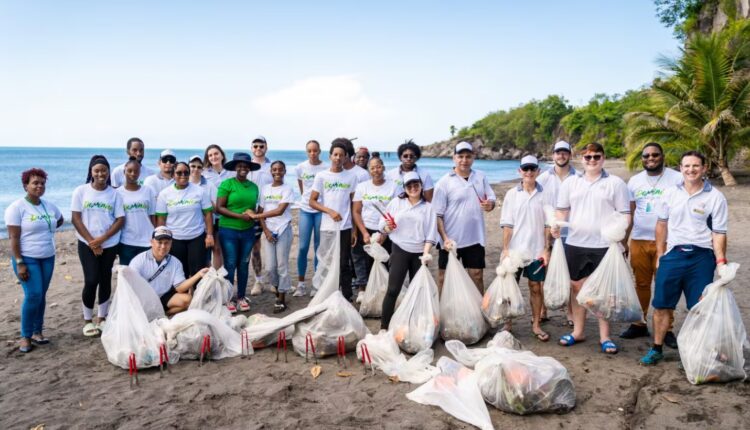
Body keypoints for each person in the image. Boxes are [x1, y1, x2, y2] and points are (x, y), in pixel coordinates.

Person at [640, 151, 728, 366]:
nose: (691, 170)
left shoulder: (715, 197)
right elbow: (661, 225)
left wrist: (720, 261)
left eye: (696, 166)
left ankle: (699, 350)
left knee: (699, 307)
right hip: (673, 255)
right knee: (661, 305)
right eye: (687, 166)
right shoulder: (670, 194)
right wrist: (661, 254)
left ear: (704, 168)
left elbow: (719, 233)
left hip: (701, 257)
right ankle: (657, 348)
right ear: (680, 168)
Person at [552, 143, 630, 354]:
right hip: (575, 243)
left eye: (596, 156)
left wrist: (618, 235)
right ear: (581, 159)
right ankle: (578, 332)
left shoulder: (615, 183)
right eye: (588, 157)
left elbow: (625, 214)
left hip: (604, 245)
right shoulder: (570, 183)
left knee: (603, 292)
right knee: (577, 288)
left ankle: (605, 336)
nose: (592, 160)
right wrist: (557, 226)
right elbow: (562, 211)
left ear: (603, 158)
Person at [621, 143, 682, 345]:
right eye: (646, 155)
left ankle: (667, 329)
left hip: (667, 242)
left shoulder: (677, 178)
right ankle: (639, 323)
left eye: (655, 154)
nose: (650, 158)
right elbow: (629, 213)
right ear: (642, 158)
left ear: (662, 156)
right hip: (639, 239)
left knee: (665, 285)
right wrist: (624, 241)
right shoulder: (635, 182)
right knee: (641, 283)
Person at [5, 168, 64, 352]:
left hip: (47, 257)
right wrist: (20, 261)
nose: (39, 186)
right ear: (25, 186)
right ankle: (25, 336)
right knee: (33, 295)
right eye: (35, 183)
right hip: (27, 258)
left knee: (41, 295)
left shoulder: (49, 205)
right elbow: (13, 238)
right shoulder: (16, 208)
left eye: (42, 183)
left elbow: (59, 220)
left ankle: (38, 332)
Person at [499, 156, 553, 341]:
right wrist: (505, 249)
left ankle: (536, 324)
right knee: (509, 287)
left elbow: (548, 225)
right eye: (525, 168)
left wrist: (546, 249)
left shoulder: (546, 195)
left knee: (535, 287)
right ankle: (508, 324)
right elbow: (507, 225)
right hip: (515, 250)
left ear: (538, 171)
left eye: (532, 168)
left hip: (536, 250)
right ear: (519, 171)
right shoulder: (512, 194)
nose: (529, 172)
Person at [71, 155, 125, 337]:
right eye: (97, 170)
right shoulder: (81, 191)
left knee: (105, 279)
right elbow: (76, 218)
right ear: (91, 172)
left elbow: (120, 220)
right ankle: (87, 321)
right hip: (86, 244)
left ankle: (102, 318)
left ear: (108, 172)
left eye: (104, 170)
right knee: (91, 279)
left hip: (109, 244)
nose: (100, 173)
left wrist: (102, 239)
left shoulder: (114, 194)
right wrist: (92, 242)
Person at [433, 141, 496, 294]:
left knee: (477, 275)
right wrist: (445, 238)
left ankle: (479, 312)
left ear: (473, 158)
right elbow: (437, 215)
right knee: (444, 277)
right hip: (450, 240)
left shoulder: (480, 177)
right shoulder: (444, 182)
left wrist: (490, 205)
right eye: (460, 156)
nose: (464, 160)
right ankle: (442, 312)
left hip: (475, 237)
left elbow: (491, 198)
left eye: (468, 156)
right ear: (454, 158)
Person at [378, 171, 437, 330]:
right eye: (409, 185)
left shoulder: (428, 207)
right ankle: (384, 327)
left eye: (416, 184)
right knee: (393, 290)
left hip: (419, 253)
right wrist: (387, 227)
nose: (413, 188)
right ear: (404, 188)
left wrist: (426, 253)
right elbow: (382, 225)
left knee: (418, 291)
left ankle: (415, 326)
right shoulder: (396, 203)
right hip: (399, 250)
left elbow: (431, 233)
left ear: (421, 185)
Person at [309, 139, 359, 300]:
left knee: (343, 263)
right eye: (335, 154)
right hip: (327, 227)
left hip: (345, 227)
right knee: (326, 261)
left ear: (345, 158)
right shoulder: (322, 176)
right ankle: (325, 294)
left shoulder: (351, 177)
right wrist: (329, 211)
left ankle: (346, 296)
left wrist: (354, 230)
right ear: (330, 156)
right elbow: (312, 201)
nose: (338, 158)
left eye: (341, 155)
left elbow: (354, 205)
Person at [216, 152, 261, 313]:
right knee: (230, 263)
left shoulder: (254, 187)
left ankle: (241, 297)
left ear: (249, 168)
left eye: (246, 165)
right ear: (235, 167)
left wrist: (252, 213)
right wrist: (240, 216)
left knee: (243, 264)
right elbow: (219, 208)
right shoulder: (227, 184)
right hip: (228, 230)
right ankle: (228, 298)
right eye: (240, 165)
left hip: (248, 231)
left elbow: (254, 209)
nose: (243, 168)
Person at [537, 140, 576, 325]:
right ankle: (544, 310)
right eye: (558, 153)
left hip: (570, 232)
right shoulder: (543, 178)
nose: (561, 156)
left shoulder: (578, 177)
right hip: (546, 230)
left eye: (564, 153)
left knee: (569, 273)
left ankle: (569, 312)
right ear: (553, 155)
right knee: (546, 270)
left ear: (570, 154)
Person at [129, 227, 209, 315]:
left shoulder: (175, 262)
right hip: (144, 298)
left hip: (163, 296)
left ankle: (163, 315)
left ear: (171, 244)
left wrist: (198, 274)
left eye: (166, 243)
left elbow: (180, 287)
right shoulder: (138, 260)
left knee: (188, 300)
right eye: (159, 242)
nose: (163, 246)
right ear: (152, 242)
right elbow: (132, 285)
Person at [155, 161, 214, 278]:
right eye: (179, 173)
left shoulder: (199, 191)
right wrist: (161, 240)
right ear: (173, 175)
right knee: (180, 273)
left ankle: (197, 295)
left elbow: (208, 214)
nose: (183, 175)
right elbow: (161, 218)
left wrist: (209, 235)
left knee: (198, 272)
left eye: (186, 172)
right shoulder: (165, 194)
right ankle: (185, 296)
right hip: (175, 239)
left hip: (196, 237)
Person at [252, 161, 295, 313]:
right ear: (271, 171)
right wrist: (266, 231)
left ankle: (281, 299)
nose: (277, 172)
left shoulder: (288, 189)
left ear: (285, 171)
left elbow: (279, 211)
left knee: (282, 265)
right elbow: (262, 209)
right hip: (269, 230)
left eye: (280, 169)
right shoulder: (264, 189)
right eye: (274, 169)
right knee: (270, 267)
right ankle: (278, 291)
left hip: (283, 229)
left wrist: (256, 215)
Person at [353, 155, 398, 274]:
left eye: (378, 167)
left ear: (383, 168)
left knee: (386, 263)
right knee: (367, 264)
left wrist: (384, 233)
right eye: (372, 168)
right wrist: (364, 233)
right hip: (367, 229)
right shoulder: (362, 187)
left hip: (388, 230)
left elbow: (398, 211)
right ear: (368, 170)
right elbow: (356, 211)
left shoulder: (393, 186)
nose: (376, 171)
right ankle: (368, 289)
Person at [293, 140, 328, 296]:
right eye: (310, 151)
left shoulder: (326, 167)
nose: (313, 153)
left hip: (320, 210)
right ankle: (301, 283)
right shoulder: (300, 168)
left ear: (320, 151)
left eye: (315, 150)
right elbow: (303, 189)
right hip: (306, 210)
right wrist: (307, 201)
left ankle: (316, 283)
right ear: (306, 152)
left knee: (319, 247)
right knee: (302, 247)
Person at [341, 139, 371, 295]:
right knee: (346, 255)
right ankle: (353, 282)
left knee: (359, 253)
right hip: (342, 220)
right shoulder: (339, 171)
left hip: (358, 217)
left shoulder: (362, 174)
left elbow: (367, 196)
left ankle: (362, 286)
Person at [116, 157, 157, 265]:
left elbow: (152, 216)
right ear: (124, 171)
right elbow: (116, 219)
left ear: (140, 173)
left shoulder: (148, 190)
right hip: (127, 241)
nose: (133, 174)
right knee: (127, 275)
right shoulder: (117, 193)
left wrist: (156, 236)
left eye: (136, 171)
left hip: (147, 241)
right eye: (130, 171)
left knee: (146, 276)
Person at [249, 136, 274, 295]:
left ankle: (275, 281)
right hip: (253, 213)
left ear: (266, 147)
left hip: (270, 211)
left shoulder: (272, 167)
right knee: (255, 249)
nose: (258, 148)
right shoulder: (247, 167)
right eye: (255, 146)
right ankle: (258, 281)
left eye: (261, 146)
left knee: (273, 246)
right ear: (252, 148)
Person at [202, 145, 233, 269]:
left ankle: (225, 276)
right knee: (215, 249)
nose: (213, 157)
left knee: (227, 249)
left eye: (216, 154)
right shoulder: (204, 174)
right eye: (210, 155)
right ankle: (216, 276)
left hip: (228, 215)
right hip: (212, 216)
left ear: (222, 155)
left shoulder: (231, 172)